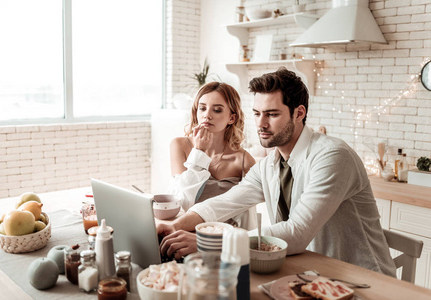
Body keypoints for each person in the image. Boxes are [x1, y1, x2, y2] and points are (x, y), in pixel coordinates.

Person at [158, 68, 397, 276]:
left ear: (299, 113)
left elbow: (297, 231)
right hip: (306, 272)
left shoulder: (332, 157)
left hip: (359, 280)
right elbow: (224, 203)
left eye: (271, 114)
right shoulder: (269, 165)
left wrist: (209, 243)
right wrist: (176, 226)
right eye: (257, 113)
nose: (261, 124)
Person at [161, 81, 257, 259]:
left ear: (232, 118)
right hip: (184, 232)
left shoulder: (243, 160)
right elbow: (183, 202)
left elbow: (245, 218)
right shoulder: (179, 145)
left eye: (217, 110)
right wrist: (199, 153)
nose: (207, 115)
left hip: (223, 243)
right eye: (202, 108)